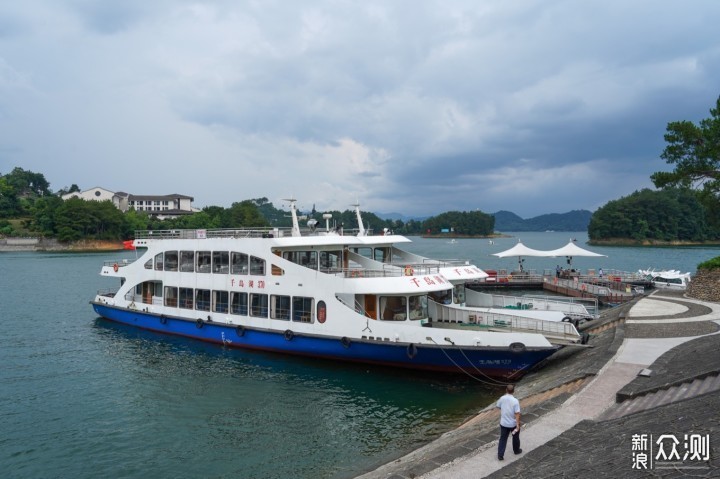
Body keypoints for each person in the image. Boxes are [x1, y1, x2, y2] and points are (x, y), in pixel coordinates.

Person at [496, 384, 522, 460]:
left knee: (503, 438)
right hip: (513, 423)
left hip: (503, 423)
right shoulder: (515, 401)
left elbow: (498, 406)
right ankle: (516, 450)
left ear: (506, 390)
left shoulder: (502, 398)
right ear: (513, 391)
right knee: (516, 437)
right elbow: (517, 413)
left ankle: (500, 455)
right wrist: (517, 424)